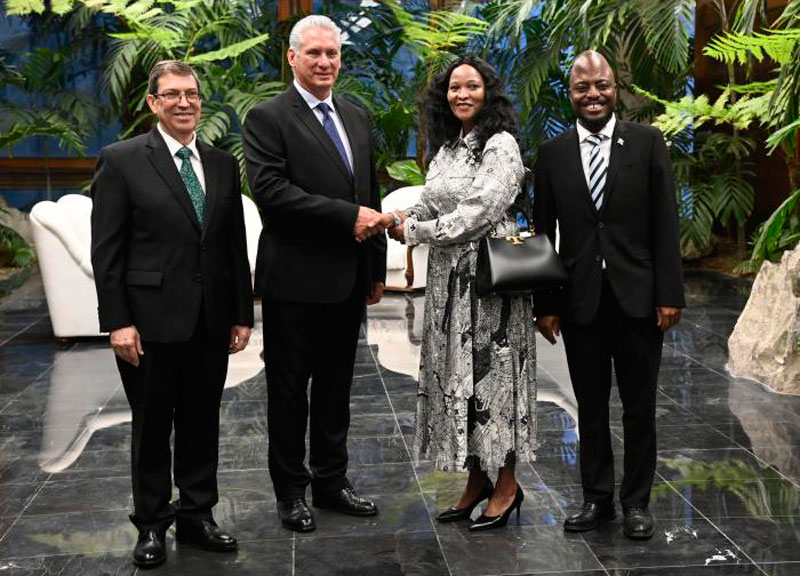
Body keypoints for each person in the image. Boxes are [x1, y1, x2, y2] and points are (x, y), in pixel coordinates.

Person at [91, 60, 253, 568]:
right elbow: (107, 250)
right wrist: (118, 321)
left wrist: (242, 313)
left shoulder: (222, 163)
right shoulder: (121, 160)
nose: (185, 103)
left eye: (193, 94)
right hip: (150, 322)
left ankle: (198, 515)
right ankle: (152, 525)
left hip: (211, 320)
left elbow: (232, 246)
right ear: (153, 103)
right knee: (152, 427)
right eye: (173, 95)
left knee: (203, 422)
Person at [242, 15, 386, 533]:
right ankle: (291, 492)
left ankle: (331, 481)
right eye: (315, 54)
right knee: (288, 392)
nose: (325, 62)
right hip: (295, 282)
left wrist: (375, 267)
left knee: (335, 389)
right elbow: (272, 194)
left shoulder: (355, 115)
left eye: (332, 53)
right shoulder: (267, 117)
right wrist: (348, 219)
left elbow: (366, 192)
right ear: (293, 58)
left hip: (347, 282)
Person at [533, 51, 685, 540]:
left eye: (601, 85)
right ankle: (596, 499)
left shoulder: (646, 142)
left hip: (639, 299)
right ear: (570, 92)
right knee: (589, 406)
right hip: (581, 303)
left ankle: (636, 503)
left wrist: (669, 294)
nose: (592, 94)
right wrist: (547, 304)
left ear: (615, 87)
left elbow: (665, 222)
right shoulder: (552, 153)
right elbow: (542, 235)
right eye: (582, 87)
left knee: (639, 406)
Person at [384, 55, 537, 531]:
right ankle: (476, 481)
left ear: (488, 93)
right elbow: (429, 198)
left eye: (472, 86)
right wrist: (396, 219)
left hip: (491, 287)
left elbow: (479, 211)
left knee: (497, 383)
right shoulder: (448, 147)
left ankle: (508, 485)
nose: (462, 94)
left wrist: (417, 232)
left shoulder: (501, 145)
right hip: (448, 286)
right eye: (454, 88)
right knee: (458, 381)